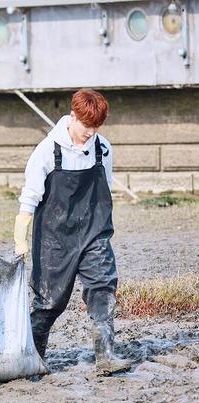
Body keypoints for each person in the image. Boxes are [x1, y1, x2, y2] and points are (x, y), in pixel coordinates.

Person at [13, 89, 132, 374]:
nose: (90, 133)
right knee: (49, 302)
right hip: (55, 239)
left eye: (96, 127)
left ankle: (105, 356)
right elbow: (29, 198)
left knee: (103, 288)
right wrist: (20, 238)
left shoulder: (102, 148)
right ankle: (34, 356)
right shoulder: (46, 151)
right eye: (86, 126)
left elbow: (106, 186)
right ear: (73, 116)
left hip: (94, 233)